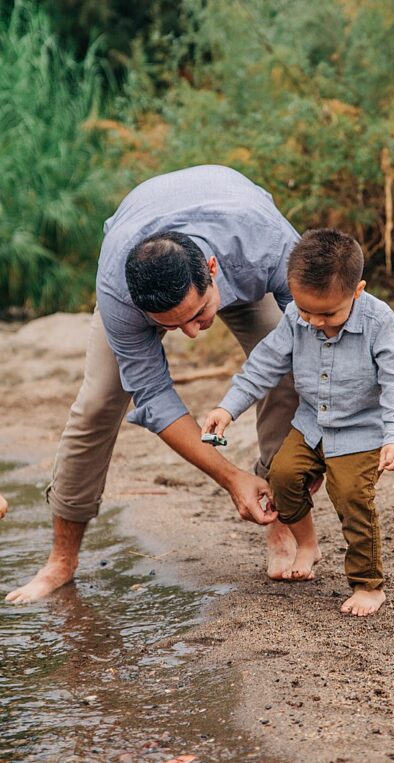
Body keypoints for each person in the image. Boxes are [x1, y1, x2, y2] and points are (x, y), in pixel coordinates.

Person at [7, 165, 304, 604]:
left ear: (212, 268)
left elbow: (320, 337)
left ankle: (279, 516)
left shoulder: (269, 245)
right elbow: (156, 399)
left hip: (243, 250)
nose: (192, 333)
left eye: (198, 314)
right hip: (142, 249)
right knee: (98, 404)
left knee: (288, 368)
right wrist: (229, 476)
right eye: (172, 325)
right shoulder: (119, 292)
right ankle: (60, 562)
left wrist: (313, 448)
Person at [203, 229, 394, 616]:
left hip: (361, 431)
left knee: (352, 498)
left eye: (327, 313)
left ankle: (368, 585)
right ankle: (307, 544)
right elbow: (263, 366)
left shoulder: (378, 320)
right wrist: (227, 408)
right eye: (306, 311)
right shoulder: (293, 317)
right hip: (311, 424)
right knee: (282, 477)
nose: (315, 322)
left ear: (357, 291)